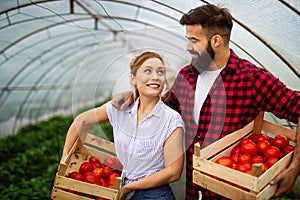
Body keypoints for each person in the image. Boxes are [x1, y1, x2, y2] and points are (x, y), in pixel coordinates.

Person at [112, 4, 300, 200]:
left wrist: (295, 168)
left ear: (216, 41)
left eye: (194, 40)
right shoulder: (187, 76)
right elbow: (163, 108)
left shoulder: (251, 79)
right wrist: (135, 94)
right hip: (194, 191)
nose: (187, 47)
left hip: (232, 193)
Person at [62, 51, 185, 200]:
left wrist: (129, 187)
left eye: (160, 72)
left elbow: (174, 171)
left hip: (154, 195)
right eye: (147, 71)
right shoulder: (119, 109)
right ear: (133, 78)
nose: (155, 77)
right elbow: (81, 121)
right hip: (120, 189)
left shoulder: (171, 120)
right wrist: (64, 160)